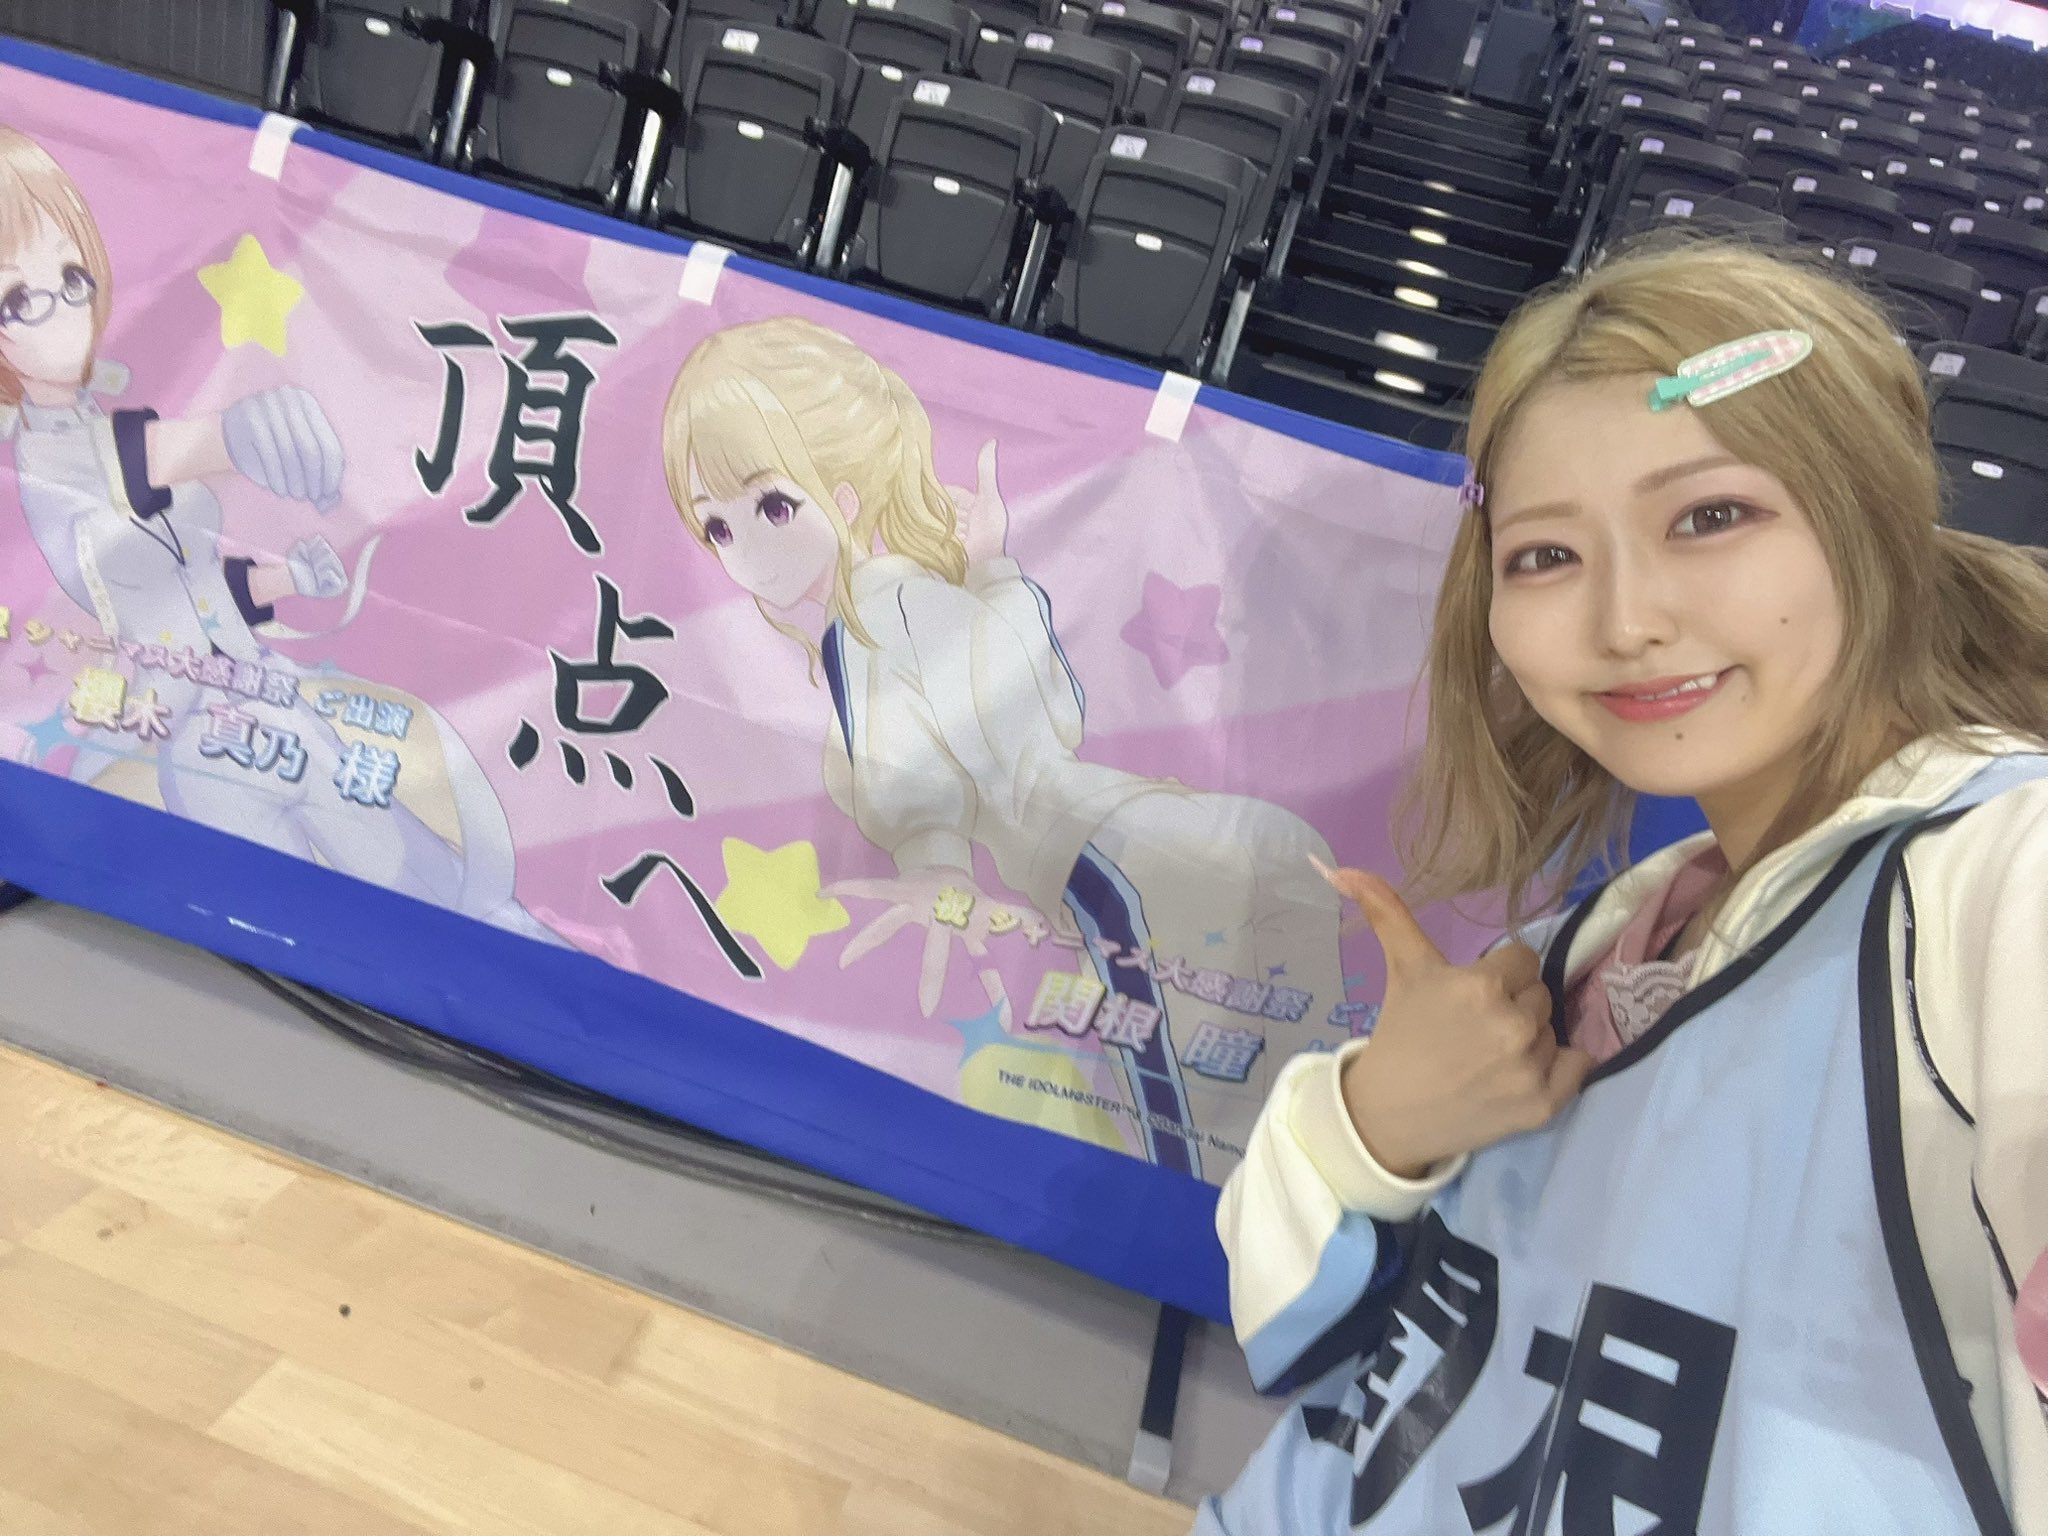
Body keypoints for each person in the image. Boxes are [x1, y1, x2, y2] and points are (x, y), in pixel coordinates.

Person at [1202, 241, 2047, 1533]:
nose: (1624, 621)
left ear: (1868, 518)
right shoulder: (1597, 944)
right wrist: (1369, 1125)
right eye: (1545, 555)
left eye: (1709, 518)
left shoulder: (1994, 879)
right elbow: (1304, 1343)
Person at [661, 315, 1347, 1178]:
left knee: (1186, 1104)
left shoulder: (877, 613)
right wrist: (991, 571)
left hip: (1104, 861)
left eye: (772, 507)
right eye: (718, 529)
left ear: (843, 496)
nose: (747, 555)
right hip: (1138, 838)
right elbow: (1031, 710)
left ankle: (1253, 1204)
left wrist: (936, 866)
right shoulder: (888, 611)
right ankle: (1306, 1186)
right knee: (1261, 1052)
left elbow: (930, 762)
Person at [0, 124, 558, 944]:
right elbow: (128, 466)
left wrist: (287, 580)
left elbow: (191, 587)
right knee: (286, 776)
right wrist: (231, 434)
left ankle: (457, 929)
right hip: (147, 716)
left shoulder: (88, 422)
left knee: (357, 784)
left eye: (72, 277)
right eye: (18, 299)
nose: (61, 309)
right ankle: (416, 935)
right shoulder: (46, 451)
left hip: (230, 685)